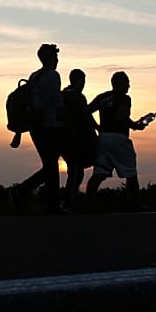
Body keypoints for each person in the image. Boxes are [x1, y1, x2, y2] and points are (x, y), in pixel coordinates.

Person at [85, 71, 154, 201]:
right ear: (119, 84)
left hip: (103, 138)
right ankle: (135, 204)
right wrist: (136, 125)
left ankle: (88, 203)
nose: (129, 86)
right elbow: (121, 117)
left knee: (99, 173)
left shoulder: (102, 97)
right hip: (118, 138)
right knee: (131, 173)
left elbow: (86, 112)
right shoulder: (124, 98)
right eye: (127, 82)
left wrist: (97, 127)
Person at [20, 43, 65, 214]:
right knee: (51, 166)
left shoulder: (34, 76)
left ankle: (26, 193)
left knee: (50, 165)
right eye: (56, 56)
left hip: (35, 126)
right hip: (49, 125)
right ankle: (23, 192)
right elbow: (55, 101)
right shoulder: (53, 76)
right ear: (51, 58)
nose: (57, 59)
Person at [61, 69, 99, 211]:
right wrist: (97, 129)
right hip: (76, 140)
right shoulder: (78, 97)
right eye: (83, 81)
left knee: (75, 170)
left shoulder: (63, 95)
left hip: (64, 139)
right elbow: (87, 115)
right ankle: (69, 203)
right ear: (79, 81)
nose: (84, 84)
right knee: (76, 170)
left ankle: (69, 201)